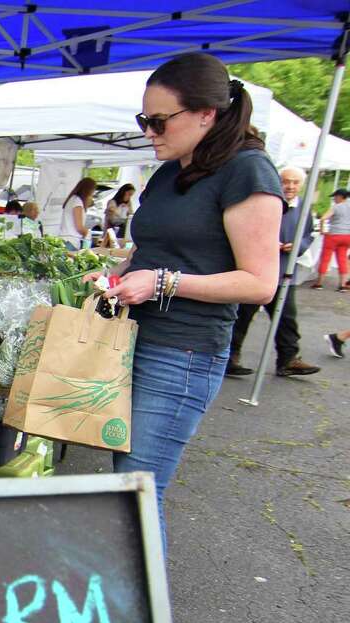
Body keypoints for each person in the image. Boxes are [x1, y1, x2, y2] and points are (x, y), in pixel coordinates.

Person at [93, 52, 282, 545]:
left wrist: (162, 282)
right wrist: (115, 273)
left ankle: (140, 594)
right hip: (134, 340)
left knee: (134, 490)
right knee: (123, 482)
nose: (149, 132)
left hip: (182, 353)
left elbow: (260, 282)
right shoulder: (168, 172)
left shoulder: (248, 171)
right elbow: (153, 247)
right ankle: (127, 589)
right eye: (144, 120)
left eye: (159, 121)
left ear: (206, 114)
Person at [226, 165, 320, 378]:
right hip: (256, 270)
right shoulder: (266, 201)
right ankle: (229, 357)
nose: (290, 186)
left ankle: (288, 359)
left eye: (295, 182)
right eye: (286, 181)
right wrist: (266, 242)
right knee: (242, 316)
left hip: (284, 273)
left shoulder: (304, 207)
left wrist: (298, 246)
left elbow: (308, 235)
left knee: (286, 318)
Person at [316, 188, 350, 289]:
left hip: (333, 235)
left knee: (325, 259)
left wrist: (322, 231)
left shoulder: (336, 207)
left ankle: (319, 283)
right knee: (342, 260)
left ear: (340, 197)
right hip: (347, 236)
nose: (334, 199)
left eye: (335, 197)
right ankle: (342, 285)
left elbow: (323, 218)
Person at [58, 177, 96, 248]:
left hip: (66, 239)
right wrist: (87, 233)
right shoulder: (77, 201)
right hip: (70, 241)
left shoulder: (73, 199)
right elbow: (79, 227)